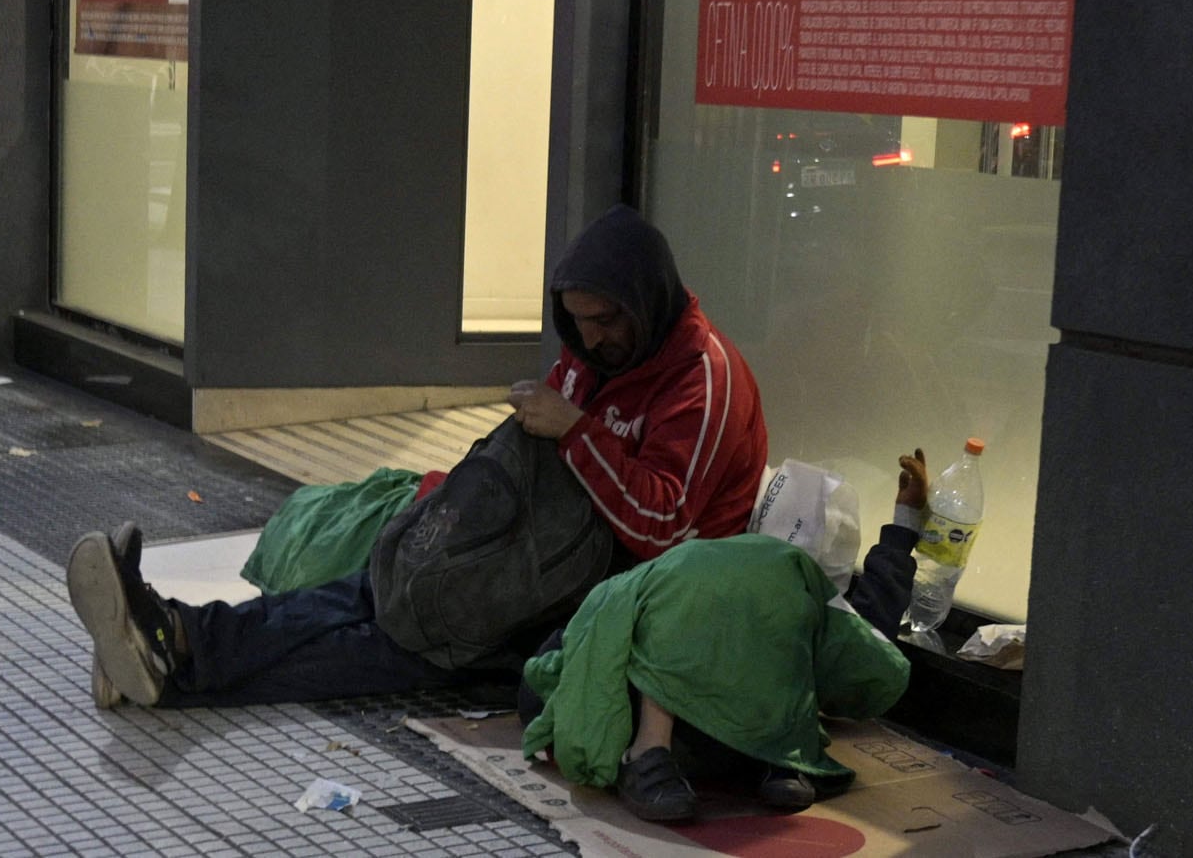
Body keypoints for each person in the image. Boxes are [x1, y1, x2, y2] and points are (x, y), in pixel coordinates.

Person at [65, 204, 769, 710]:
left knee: (394, 644)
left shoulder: (702, 377)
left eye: (606, 321)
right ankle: (178, 631)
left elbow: (663, 527)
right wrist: (448, 504)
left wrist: (576, 429)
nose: (591, 339)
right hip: (540, 555)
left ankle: (168, 668)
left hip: (609, 594)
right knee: (378, 584)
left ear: (646, 301)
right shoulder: (601, 352)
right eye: (577, 323)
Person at [518, 450, 928, 822]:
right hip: (736, 741)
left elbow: (592, 634)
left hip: (647, 717)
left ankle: (650, 752)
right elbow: (871, 645)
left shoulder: (694, 564)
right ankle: (774, 756)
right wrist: (903, 526)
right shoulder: (805, 596)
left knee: (681, 601)